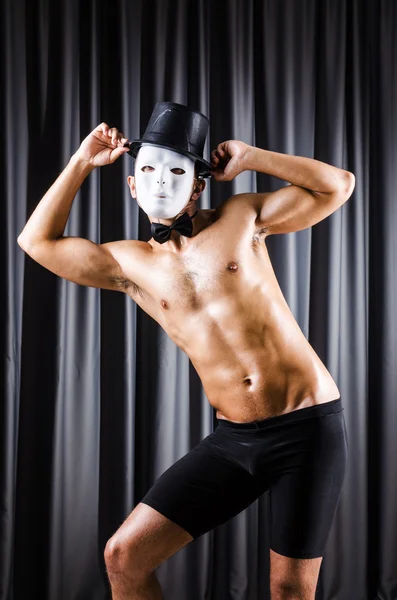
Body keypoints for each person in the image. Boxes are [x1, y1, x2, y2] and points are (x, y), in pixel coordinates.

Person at [17, 102, 355, 600]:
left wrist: (251, 157)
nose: (158, 181)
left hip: (308, 428)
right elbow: (36, 241)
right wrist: (82, 162)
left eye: (175, 170)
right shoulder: (127, 263)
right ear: (132, 184)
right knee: (124, 557)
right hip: (234, 441)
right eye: (147, 170)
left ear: (198, 185)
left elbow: (338, 185)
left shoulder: (242, 218)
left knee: (288, 590)